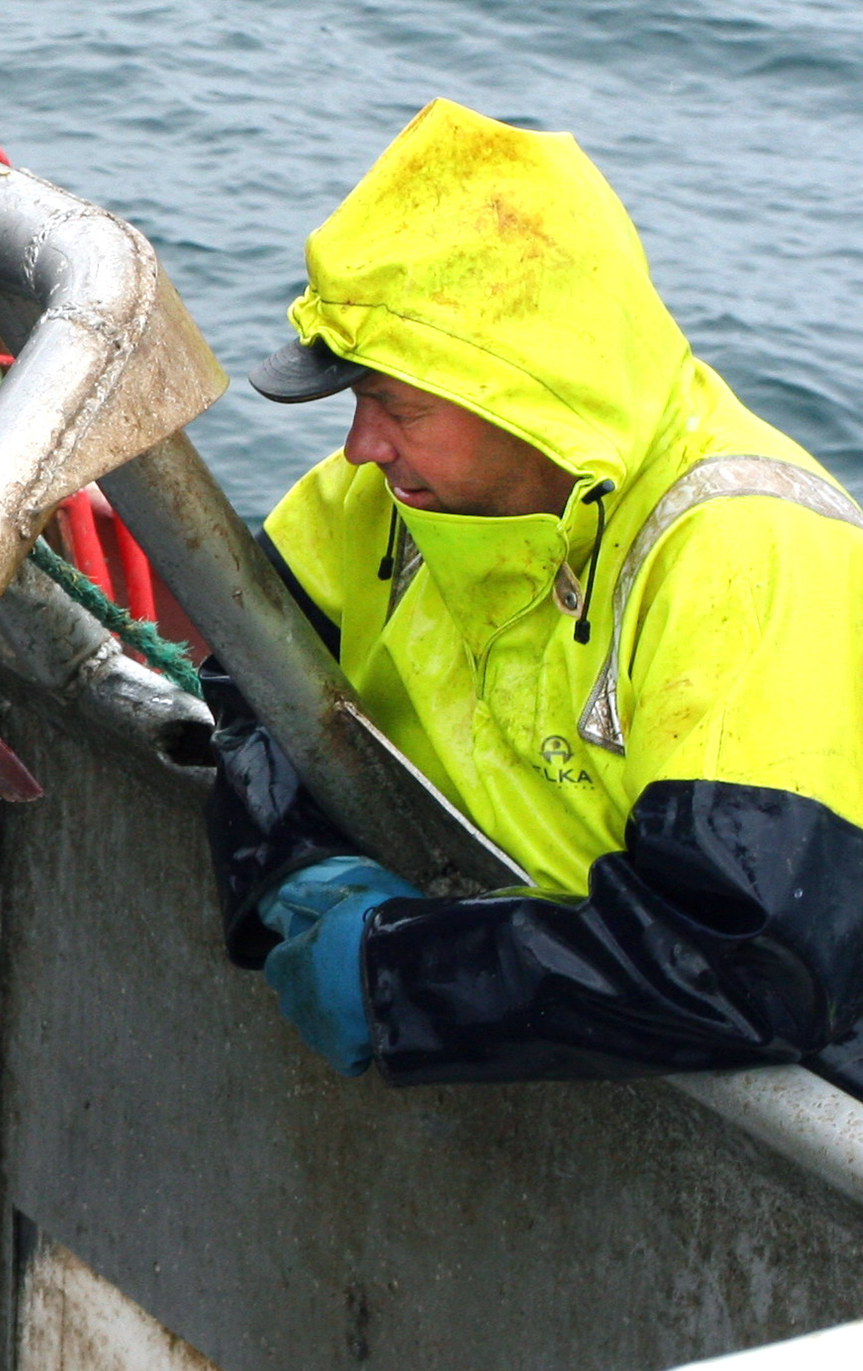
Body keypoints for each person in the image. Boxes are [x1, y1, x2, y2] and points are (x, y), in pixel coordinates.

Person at [209, 99, 863, 1084]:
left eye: (395, 405)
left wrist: (400, 976)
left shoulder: (748, 555)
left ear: (517, 392)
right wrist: (298, 870)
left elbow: (747, 959)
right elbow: (240, 689)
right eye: (354, 400)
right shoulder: (370, 498)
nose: (360, 445)